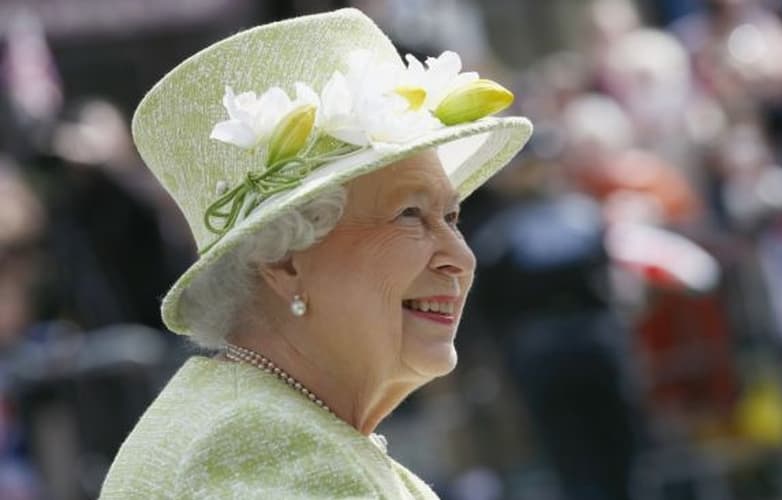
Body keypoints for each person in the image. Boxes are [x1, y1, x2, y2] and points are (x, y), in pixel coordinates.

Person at [99, 8, 531, 499]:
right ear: (284, 258)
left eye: (451, 218)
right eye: (410, 214)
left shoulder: (272, 419)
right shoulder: (264, 446)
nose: (461, 258)